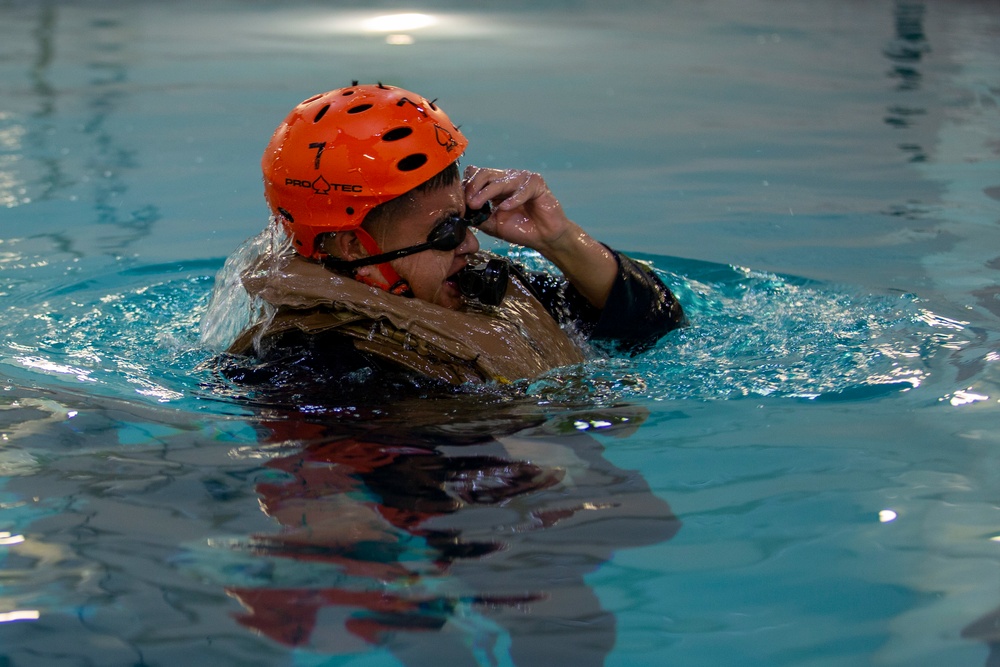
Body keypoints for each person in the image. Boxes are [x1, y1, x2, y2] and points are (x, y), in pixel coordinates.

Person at [222, 82, 684, 388]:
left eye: (467, 219)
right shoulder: (314, 364)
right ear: (353, 245)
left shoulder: (483, 287)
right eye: (444, 232)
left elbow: (655, 329)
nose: (472, 245)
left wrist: (557, 239)